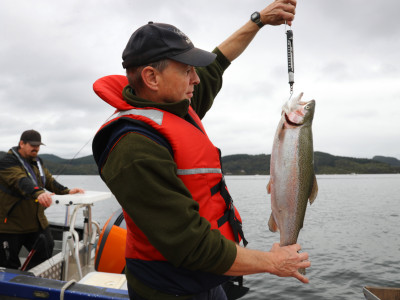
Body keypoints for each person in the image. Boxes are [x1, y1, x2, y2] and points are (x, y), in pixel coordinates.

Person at [92, 0, 310, 299]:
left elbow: (219, 61)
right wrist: (271, 262)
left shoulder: (177, 103)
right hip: (170, 289)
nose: (196, 78)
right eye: (187, 70)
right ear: (151, 77)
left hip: (208, 280)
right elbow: (190, 244)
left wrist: (259, 20)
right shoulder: (132, 148)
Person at [0, 129, 84, 270]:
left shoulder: (38, 161)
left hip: (36, 222)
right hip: (11, 226)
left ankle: (29, 279)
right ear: (21, 143)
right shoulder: (7, 162)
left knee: (45, 250)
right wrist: (39, 193)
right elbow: (20, 180)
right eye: (33, 145)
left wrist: (67, 191)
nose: (36, 148)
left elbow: (49, 180)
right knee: (8, 265)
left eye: (38, 145)